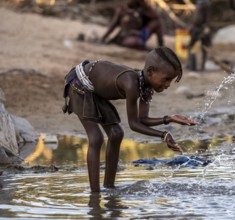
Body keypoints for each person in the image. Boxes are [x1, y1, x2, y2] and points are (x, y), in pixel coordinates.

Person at [62, 46, 197, 192]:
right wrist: (162, 134)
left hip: (95, 91)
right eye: (166, 79)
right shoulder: (131, 83)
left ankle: (109, 188)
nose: (168, 85)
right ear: (151, 72)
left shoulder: (145, 87)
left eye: (171, 80)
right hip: (80, 84)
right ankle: (95, 195)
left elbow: (143, 119)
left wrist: (169, 119)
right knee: (96, 138)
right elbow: (134, 124)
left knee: (116, 133)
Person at [187, 0, 211, 71]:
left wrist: (206, 29)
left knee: (204, 48)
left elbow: (208, 18)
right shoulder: (199, 2)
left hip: (201, 28)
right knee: (190, 46)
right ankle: (190, 64)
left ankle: (202, 66)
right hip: (195, 28)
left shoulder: (206, 4)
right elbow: (196, 16)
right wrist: (192, 26)